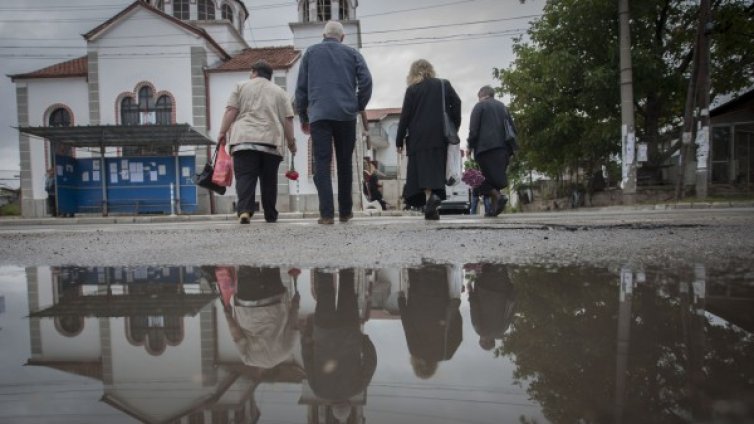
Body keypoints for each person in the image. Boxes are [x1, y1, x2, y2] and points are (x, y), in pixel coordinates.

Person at [295, 21, 373, 225]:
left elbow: (301, 88)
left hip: (319, 115)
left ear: (323, 35)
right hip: (346, 115)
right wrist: (357, 105)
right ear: (342, 37)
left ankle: (327, 214)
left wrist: (303, 117)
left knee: (321, 163)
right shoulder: (353, 54)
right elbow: (366, 82)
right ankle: (346, 212)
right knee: (345, 163)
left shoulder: (310, 53)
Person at [217, 60, 297, 224]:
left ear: (254, 71)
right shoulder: (279, 92)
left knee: (245, 177)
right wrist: (291, 143)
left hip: (244, 140)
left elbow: (231, 110)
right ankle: (270, 214)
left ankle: (245, 210)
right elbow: (287, 120)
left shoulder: (240, 86)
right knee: (269, 180)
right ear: (270, 76)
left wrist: (222, 132)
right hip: (271, 142)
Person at [301, 269, 377, 422]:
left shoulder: (356, 388)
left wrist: (363, 339)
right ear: (331, 406)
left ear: (348, 404)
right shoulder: (319, 391)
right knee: (325, 290)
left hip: (348, 329)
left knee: (347, 287)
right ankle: (325, 261)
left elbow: (371, 362)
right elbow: (307, 361)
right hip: (324, 331)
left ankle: (346, 258)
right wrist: (307, 339)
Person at [396, 59, 461, 220]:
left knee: (422, 173)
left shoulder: (412, 90)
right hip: (440, 134)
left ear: (413, 72)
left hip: (418, 137)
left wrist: (399, 140)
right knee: (436, 170)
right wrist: (453, 126)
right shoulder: (443, 84)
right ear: (431, 70)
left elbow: (405, 117)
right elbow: (457, 103)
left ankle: (430, 202)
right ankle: (432, 205)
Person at [220, 266, 300, 369]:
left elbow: (293, 327)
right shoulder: (248, 359)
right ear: (261, 373)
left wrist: (296, 304)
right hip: (247, 307)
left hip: (275, 301)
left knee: (271, 267)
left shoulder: (285, 352)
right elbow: (237, 336)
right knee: (247, 266)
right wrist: (228, 316)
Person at [398, 264, 462, 379]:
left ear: (433, 368)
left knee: (438, 280)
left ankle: (437, 267)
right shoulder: (415, 350)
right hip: (418, 305)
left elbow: (458, 335)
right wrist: (401, 302)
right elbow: (408, 327)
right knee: (417, 274)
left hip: (441, 308)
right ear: (416, 366)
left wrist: (454, 313)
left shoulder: (446, 354)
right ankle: (420, 263)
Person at [467, 85, 518, 217]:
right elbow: (513, 129)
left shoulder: (480, 106)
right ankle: (494, 209)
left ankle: (498, 196)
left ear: (482, 94)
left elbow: (473, 130)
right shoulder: (503, 107)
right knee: (494, 179)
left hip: (485, 148)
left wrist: (470, 146)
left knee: (475, 178)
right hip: (503, 149)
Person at [467, 263, 516, 352]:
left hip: (502, 289)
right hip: (483, 288)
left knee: (500, 264)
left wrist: (512, 287)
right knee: (487, 263)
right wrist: (470, 292)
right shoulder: (480, 330)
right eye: (480, 340)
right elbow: (474, 309)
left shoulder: (502, 330)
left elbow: (510, 310)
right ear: (483, 341)